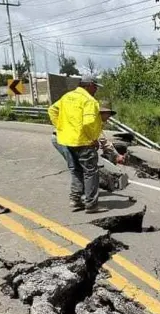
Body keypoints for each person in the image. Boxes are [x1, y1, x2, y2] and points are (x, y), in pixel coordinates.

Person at [48, 75, 108, 213]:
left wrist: (61, 128)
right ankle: (91, 204)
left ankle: (75, 201)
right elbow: (88, 123)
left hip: (67, 140)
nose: (96, 90)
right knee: (90, 172)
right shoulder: (89, 100)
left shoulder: (67, 97)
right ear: (90, 85)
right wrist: (93, 138)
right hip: (83, 141)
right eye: (95, 87)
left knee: (76, 170)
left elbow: (52, 110)